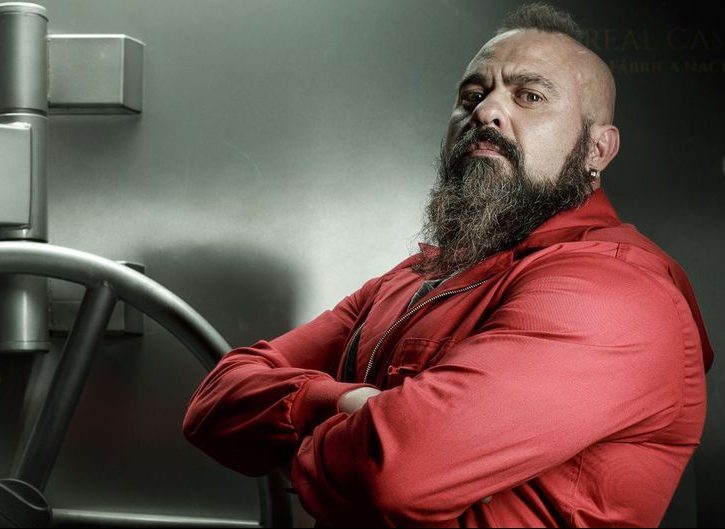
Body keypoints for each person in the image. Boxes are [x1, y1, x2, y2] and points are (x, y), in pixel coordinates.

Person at [183, 4, 713, 527]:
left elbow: (394, 471)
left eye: (529, 96)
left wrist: (300, 434)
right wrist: (345, 400)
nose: (487, 112)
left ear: (598, 149)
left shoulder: (618, 291)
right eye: (472, 96)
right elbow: (215, 401)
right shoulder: (416, 276)